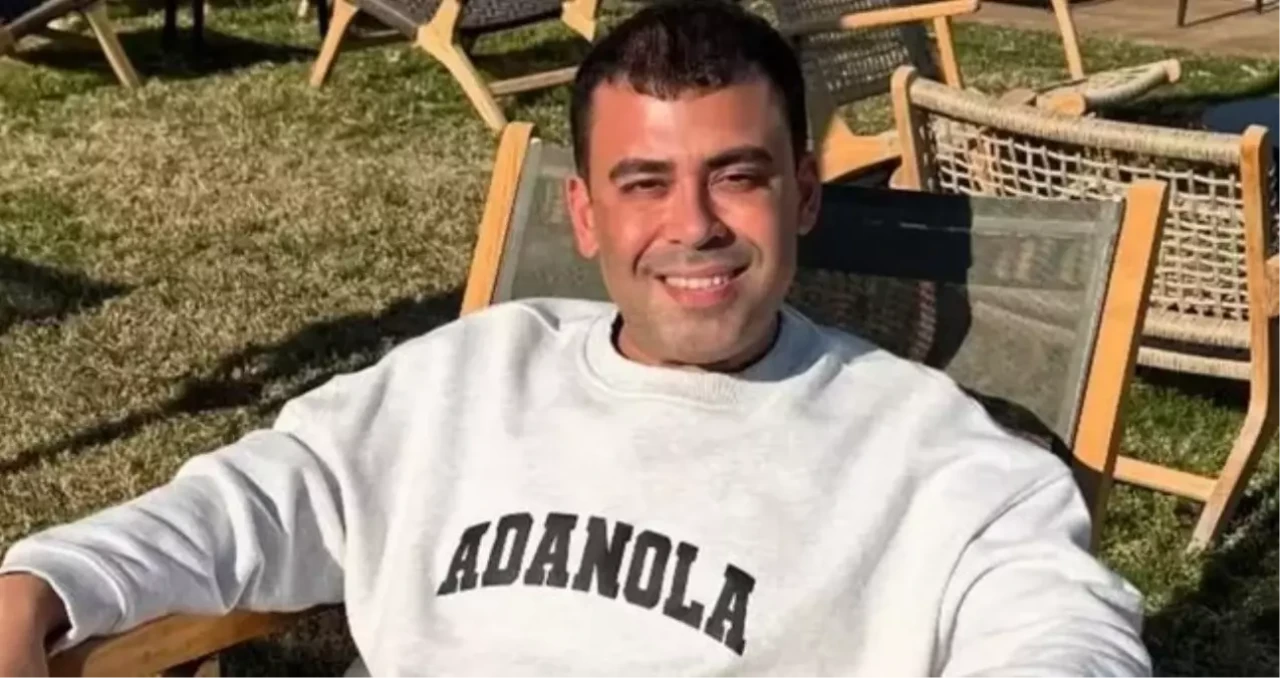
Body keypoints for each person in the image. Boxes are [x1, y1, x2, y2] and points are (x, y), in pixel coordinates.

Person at [0, 1, 1151, 676]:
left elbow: (1057, 627)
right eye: (643, 183)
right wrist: (44, 583)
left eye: (735, 176)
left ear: (802, 193)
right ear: (586, 214)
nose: (691, 226)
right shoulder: (471, 373)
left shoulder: (937, 459)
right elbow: (253, 501)